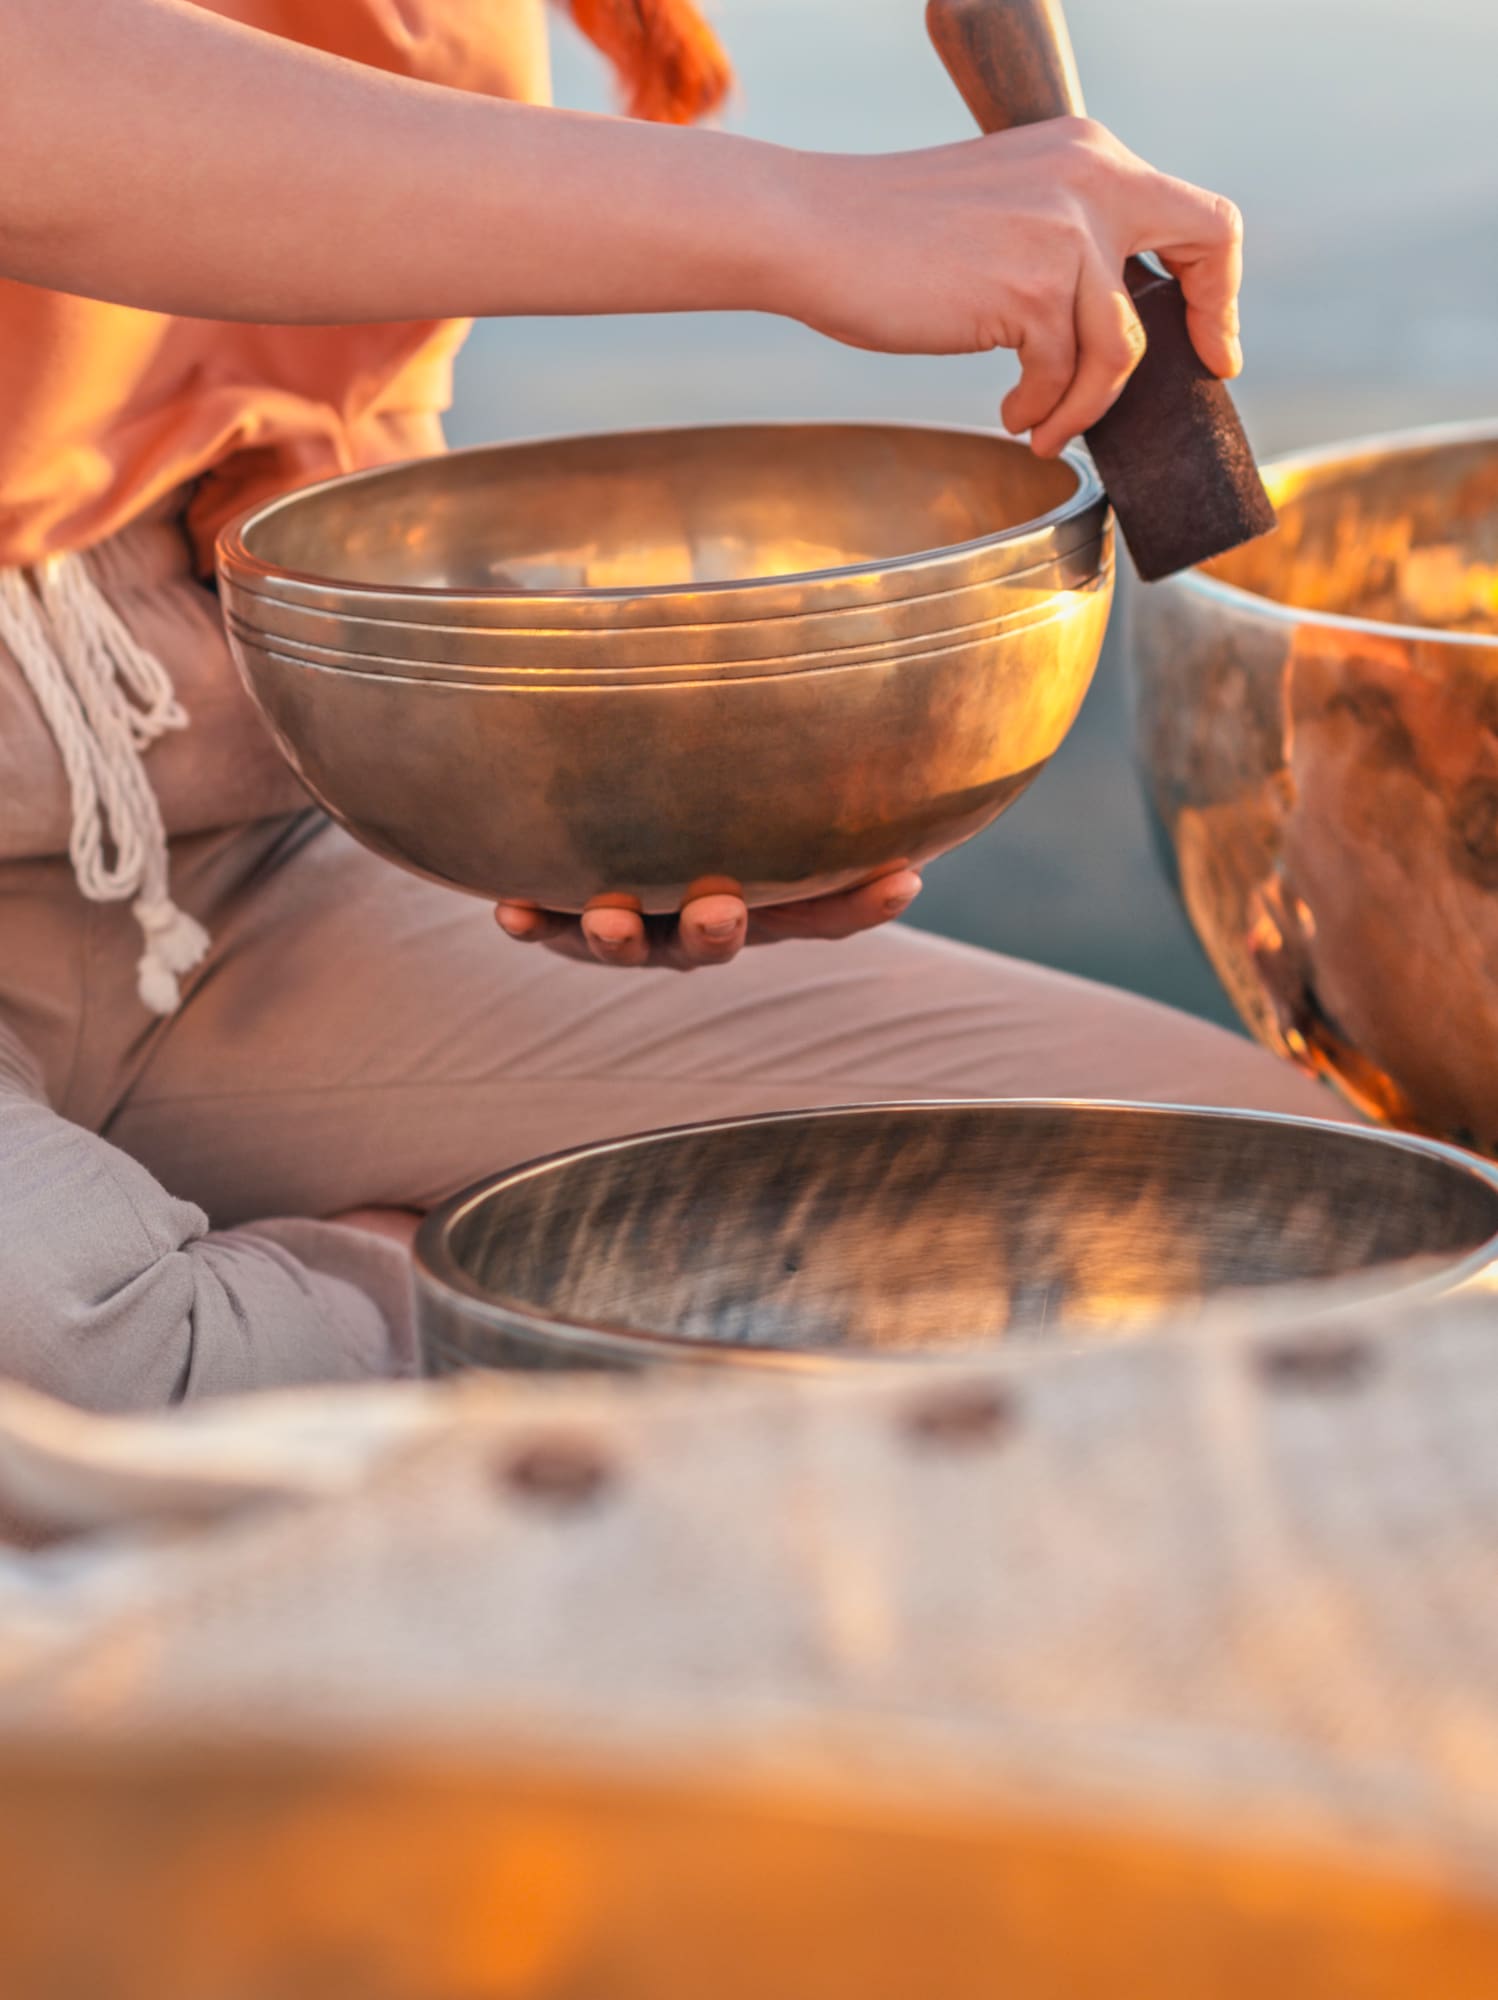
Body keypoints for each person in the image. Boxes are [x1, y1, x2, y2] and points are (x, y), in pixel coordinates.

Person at [0, 0, 1339, 1411]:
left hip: (230, 839)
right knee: (92, 1379)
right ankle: (543, 1300)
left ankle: (528, 1309)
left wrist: (547, 787)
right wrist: (805, 215)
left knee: (1276, 1219)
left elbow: (318, 395)